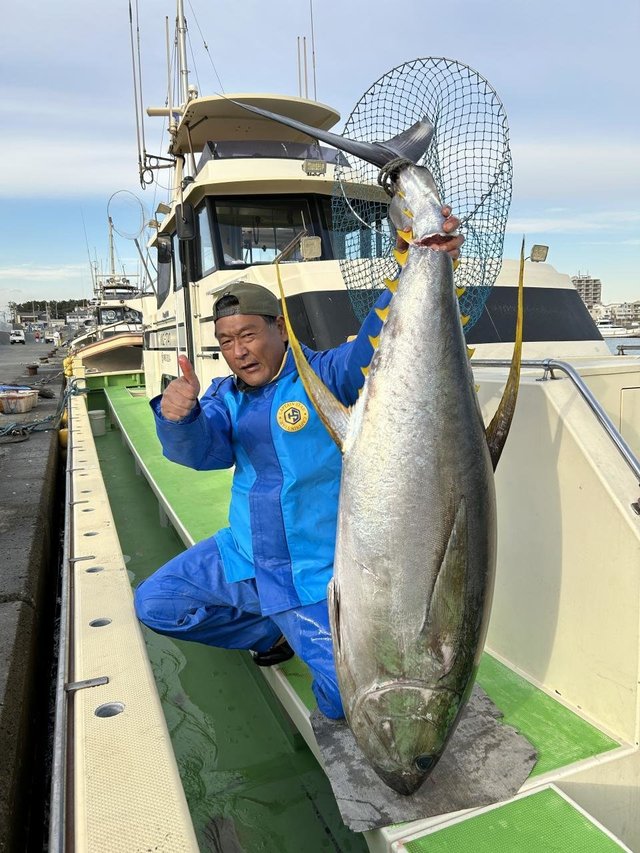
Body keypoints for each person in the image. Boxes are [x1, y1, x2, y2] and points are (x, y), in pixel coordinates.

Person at [134, 211, 464, 719]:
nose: (239, 352)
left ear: (281, 328)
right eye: (225, 342)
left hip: (313, 575)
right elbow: (203, 452)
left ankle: (287, 621)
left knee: (343, 704)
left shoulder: (326, 375)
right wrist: (179, 417)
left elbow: (371, 350)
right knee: (156, 605)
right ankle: (269, 628)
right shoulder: (225, 397)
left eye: (248, 334)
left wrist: (415, 254)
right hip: (243, 557)